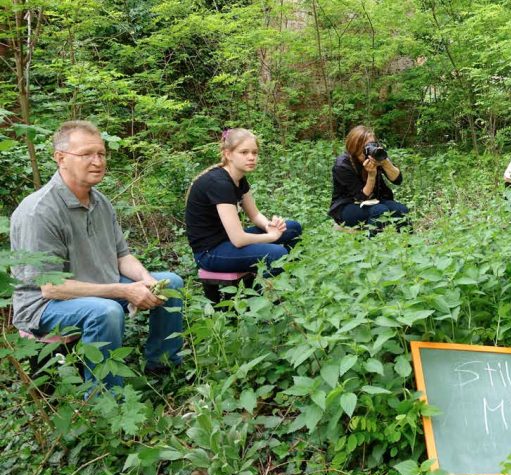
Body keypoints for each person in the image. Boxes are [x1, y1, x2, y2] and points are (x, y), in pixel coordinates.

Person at [10, 120, 183, 390]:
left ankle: (163, 367)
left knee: (170, 283)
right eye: (87, 154)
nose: (97, 161)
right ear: (61, 158)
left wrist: (147, 280)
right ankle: (104, 396)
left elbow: (122, 257)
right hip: (44, 306)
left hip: (97, 285)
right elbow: (51, 287)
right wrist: (124, 291)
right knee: (106, 311)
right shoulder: (40, 211)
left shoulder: (100, 202)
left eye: (101, 153)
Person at [185, 128, 302, 277]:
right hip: (210, 252)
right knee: (277, 254)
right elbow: (239, 239)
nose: (251, 157)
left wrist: (269, 226)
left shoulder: (239, 178)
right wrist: (271, 236)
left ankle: (292, 276)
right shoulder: (219, 183)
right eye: (244, 152)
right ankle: (262, 289)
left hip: (228, 240)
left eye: (254, 152)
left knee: (293, 228)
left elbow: (255, 215)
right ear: (228, 154)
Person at [328, 125, 409, 229]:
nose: (370, 148)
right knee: (380, 211)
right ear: (354, 146)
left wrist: (385, 162)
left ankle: (406, 239)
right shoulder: (343, 165)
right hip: (348, 205)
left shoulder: (376, 155)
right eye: (365, 146)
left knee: (402, 210)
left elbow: (397, 180)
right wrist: (371, 175)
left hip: (376, 200)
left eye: (372, 144)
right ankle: (372, 239)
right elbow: (361, 197)